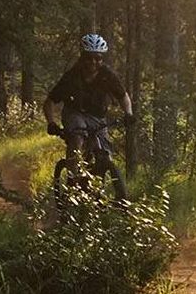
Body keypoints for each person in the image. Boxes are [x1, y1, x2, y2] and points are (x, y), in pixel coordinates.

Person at [45, 32, 133, 192]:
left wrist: (128, 113)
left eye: (97, 58)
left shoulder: (108, 75)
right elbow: (50, 101)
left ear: (102, 59)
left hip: (98, 117)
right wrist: (51, 122)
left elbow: (123, 96)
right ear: (82, 58)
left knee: (106, 155)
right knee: (77, 138)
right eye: (88, 58)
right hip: (74, 113)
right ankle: (73, 181)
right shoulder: (71, 77)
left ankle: (99, 191)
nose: (93, 62)